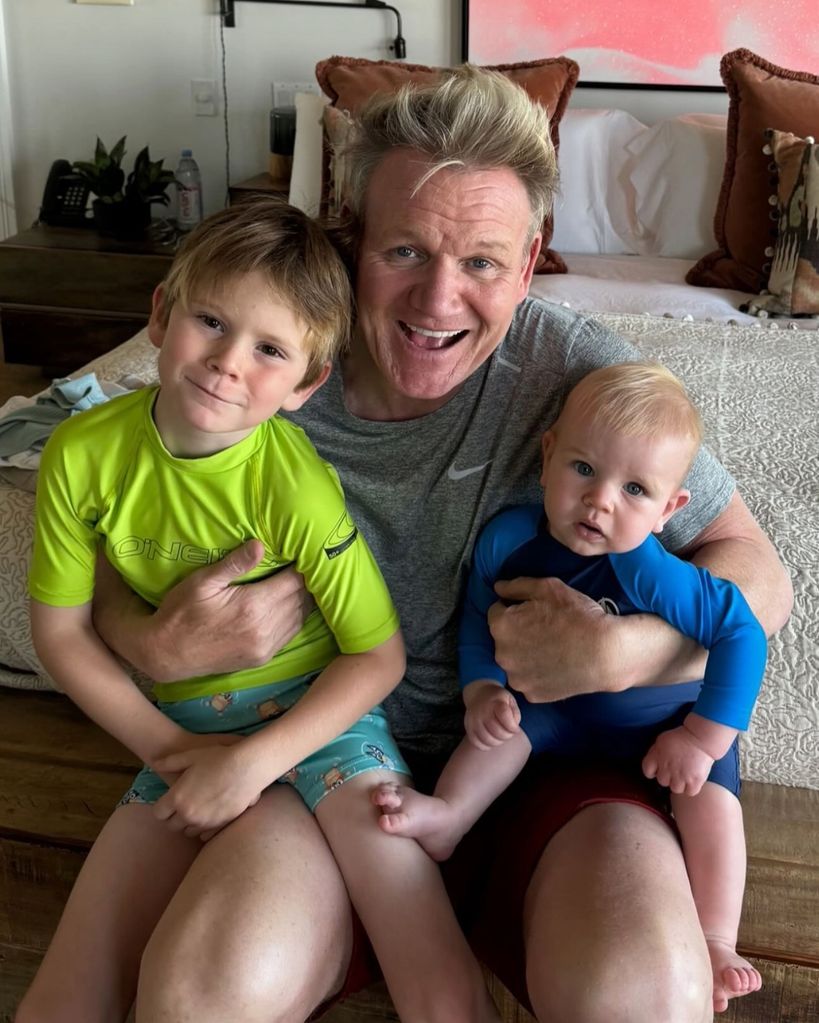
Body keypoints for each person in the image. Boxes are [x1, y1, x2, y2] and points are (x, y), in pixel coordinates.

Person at [19, 67, 791, 1023]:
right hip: (307, 751)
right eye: (403, 249)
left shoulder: (576, 372)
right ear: (348, 231)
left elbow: (756, 571)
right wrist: (147, 642)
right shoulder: (258, 359)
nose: (438, 300)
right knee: (201, 990)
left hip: (546, 757)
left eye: (480, 262)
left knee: (644, 995)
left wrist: (629, 647)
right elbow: (109, 535)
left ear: (529, 258)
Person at [18, 197, 499, 1023]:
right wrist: (172, 749)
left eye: (270, 348)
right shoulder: (81, 453)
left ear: (306, 384)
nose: (227, 362)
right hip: (181, 741)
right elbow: (58, 632)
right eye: (210, 320)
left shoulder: (295, 486)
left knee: (434, 972)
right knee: (66, 989)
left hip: (327, 733)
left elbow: (374, 656)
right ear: (162, 314)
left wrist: (248, 765)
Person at [374, 361, 766, 1012]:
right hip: (555, 715)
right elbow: (478, 615)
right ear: (547, 454)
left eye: (635, 489)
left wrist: (701, 737)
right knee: (498, 735)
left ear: (669, 508)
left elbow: (742, 633)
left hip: (661, 726)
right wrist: (481, 690)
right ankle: (450, 817)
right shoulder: (507, 539)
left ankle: (715, 936)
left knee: (710, 804)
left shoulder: (647, 569)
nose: (600, 501)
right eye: (584, 469)